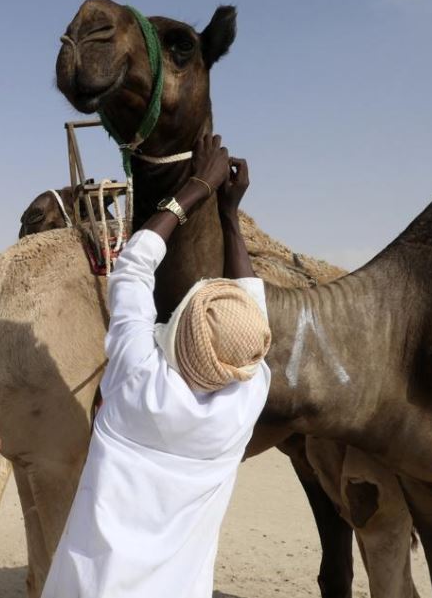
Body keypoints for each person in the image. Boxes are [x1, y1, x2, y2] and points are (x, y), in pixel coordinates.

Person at [42, 135, 273, 598]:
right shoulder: (245, 401)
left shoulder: (137, 381)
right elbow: (251, 324)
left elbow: (130, 267)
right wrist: (229, 216)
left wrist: (196, 189)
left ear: (183, 333)